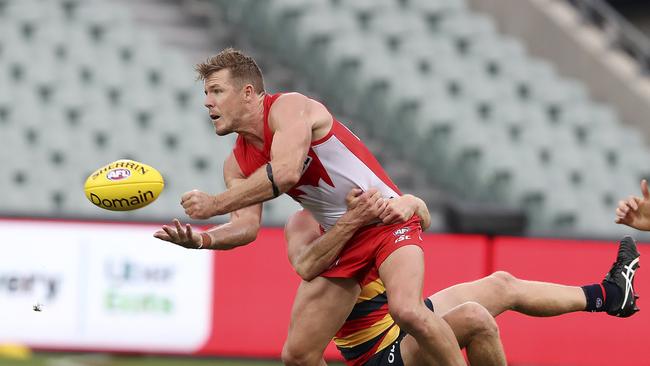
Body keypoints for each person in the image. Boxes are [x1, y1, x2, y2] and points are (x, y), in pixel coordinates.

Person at [153, 48, 465, 365]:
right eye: (206, 93)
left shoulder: (288, 108)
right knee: (298, 356)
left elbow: (286, 172)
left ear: (248, 93)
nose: (207, 101)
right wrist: (203, 239)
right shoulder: (235, 164)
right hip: (342, 236)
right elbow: (246, 227)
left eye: (216, 91)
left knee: (409, 310)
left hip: (383, 216)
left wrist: (214, 203)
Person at [287, 188, 641, 365]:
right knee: (476, 319)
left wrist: (411, 202)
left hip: (402, 321)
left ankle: (610, 295)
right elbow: (306, 266)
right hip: (377, 352)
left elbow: (422, 218)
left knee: (501, 284)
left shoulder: (362, 192)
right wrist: (352, 221)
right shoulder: (303, 223)